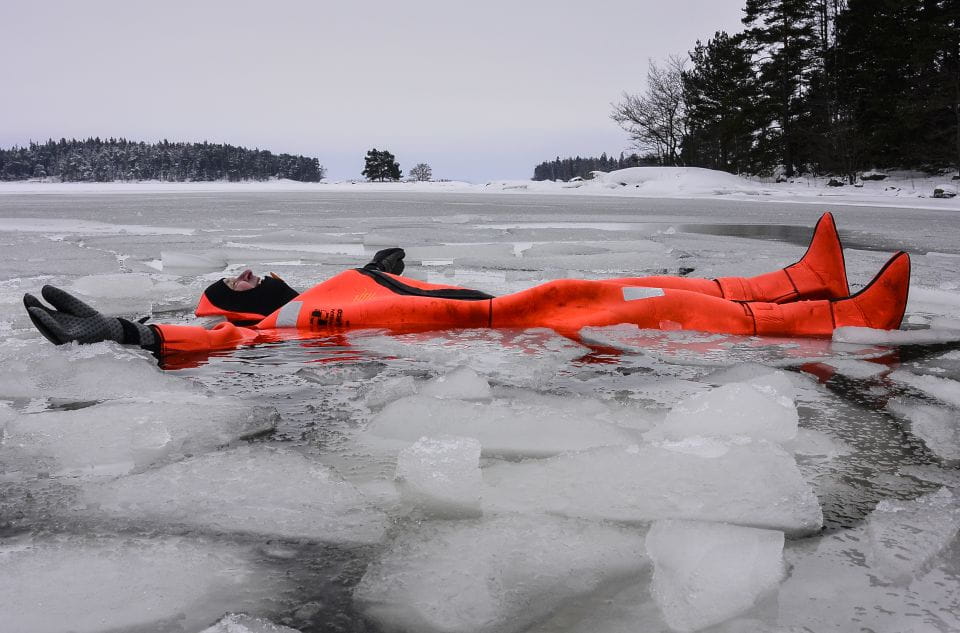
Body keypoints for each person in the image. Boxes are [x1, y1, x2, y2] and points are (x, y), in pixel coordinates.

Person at [23, 213, 910, 362]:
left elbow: (381, 276)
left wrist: (383, 263)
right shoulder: (279, 326)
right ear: (236, 302)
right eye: (236, 280)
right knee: (629, 302)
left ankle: (796, 281)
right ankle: (826, 318)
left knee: (620, 282)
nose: (248, 272)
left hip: (500, 301)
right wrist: (136, 335)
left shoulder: (330, 285)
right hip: (500, 323)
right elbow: (220, 338)